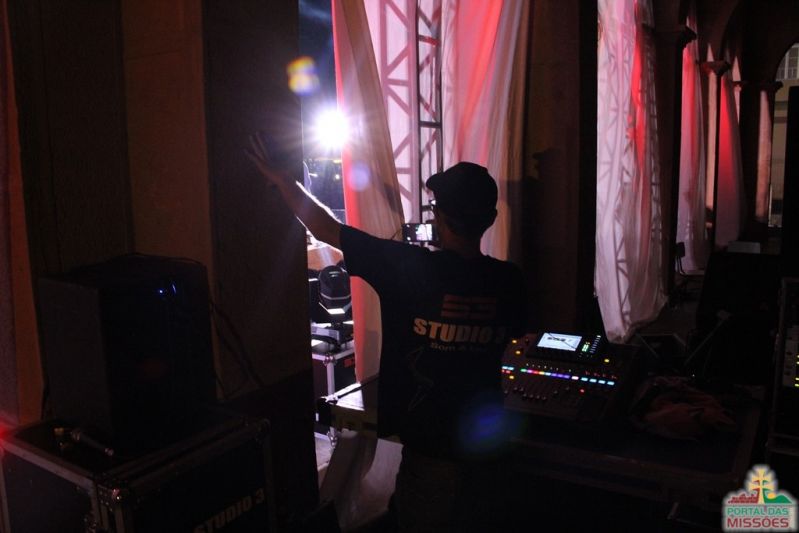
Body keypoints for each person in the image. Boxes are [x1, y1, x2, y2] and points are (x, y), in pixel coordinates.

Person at [247, 134, 527, 532]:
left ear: (438, 216)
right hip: (489, 459)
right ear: (490, 219)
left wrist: (282, 180)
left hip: (430, 460)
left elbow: (327, 229)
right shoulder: (510, 281)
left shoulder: (408, 267)